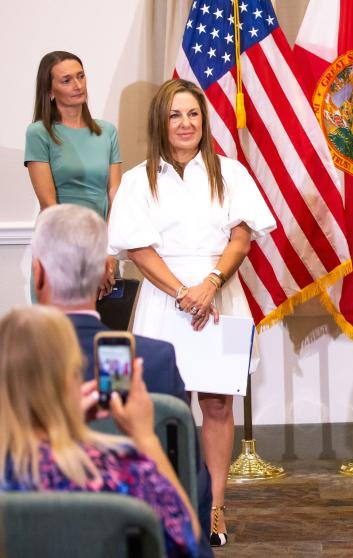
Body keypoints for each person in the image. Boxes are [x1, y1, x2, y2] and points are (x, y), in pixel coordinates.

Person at [108, 79, 276, 547]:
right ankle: (168, 506)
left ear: (204, 120)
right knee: (166, 405)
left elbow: (241, 236)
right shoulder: (140, 179)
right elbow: (137, 249)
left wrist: (210, 285)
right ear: (161, 123)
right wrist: (184, 292)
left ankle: (214, 508)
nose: (186, 124)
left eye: (193, 114)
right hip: (164, 302)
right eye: (175, 115)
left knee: (218, 403)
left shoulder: (231, 172)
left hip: (219, 295)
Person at [31, 203, 216, 558]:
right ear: (104, 270)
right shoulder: (156, 363)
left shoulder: (12, 366)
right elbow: (193, 492)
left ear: (38, 274)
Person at [0, 306, 199, 557]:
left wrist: (68, 426)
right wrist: (146, 438)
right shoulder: (121, 470)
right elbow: (187, 540)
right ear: (69, 380)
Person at [32, 204, 186, 400]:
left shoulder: (13, 359)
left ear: (38, 274)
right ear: (106, 270)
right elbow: (179, 430)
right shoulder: (155, 359)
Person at [25, 51, 121, 298]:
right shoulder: (39, 133)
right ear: (50, 91)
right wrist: (86, 260)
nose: (78, 85)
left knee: (99, 333)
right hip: (59, 248)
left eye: (81, 76)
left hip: (101, 249)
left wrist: (106, 252)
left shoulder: (107, 132)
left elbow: (115, 197)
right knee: (56, 334)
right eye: (66, 80)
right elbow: (49, 205)